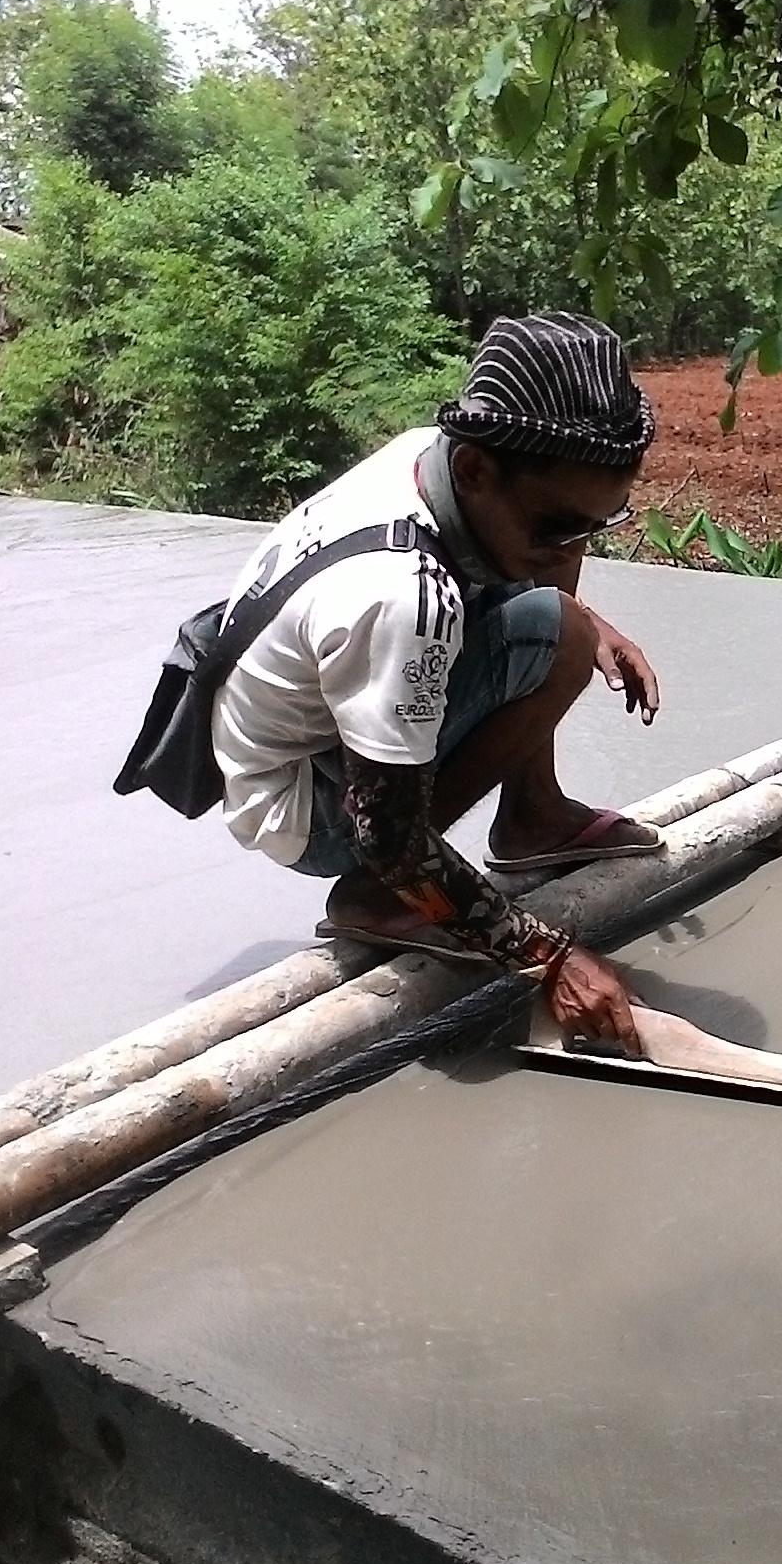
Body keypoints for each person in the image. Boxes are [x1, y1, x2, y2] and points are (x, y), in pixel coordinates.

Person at [211, 312, 666, 1049]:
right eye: (557, 524)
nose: (573, 547)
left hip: (335, 720)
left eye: (596, 524)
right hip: (313, 807)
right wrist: (548, 958)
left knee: (563, 610)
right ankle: (373, 898)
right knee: (561, 629)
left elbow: (535, 561)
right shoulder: (399, 597)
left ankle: (532, 816)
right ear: (476, 472)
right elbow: (390, 838)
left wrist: (588, 619)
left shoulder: (435, 457)